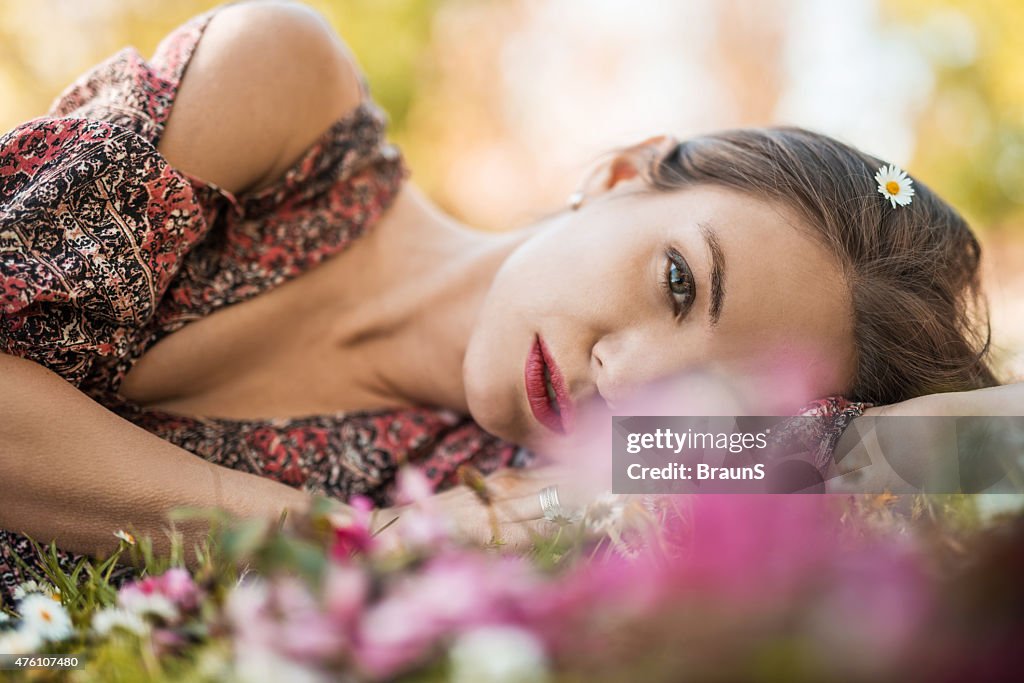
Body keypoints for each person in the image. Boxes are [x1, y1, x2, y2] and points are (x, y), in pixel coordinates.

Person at [0, 2, 1018, 601]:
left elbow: (956, 445)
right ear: (623, 170)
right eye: (678, 282)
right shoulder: (284, 102)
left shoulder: (521, 484)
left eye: (712, 393)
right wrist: (336, 538)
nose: (623, 382)